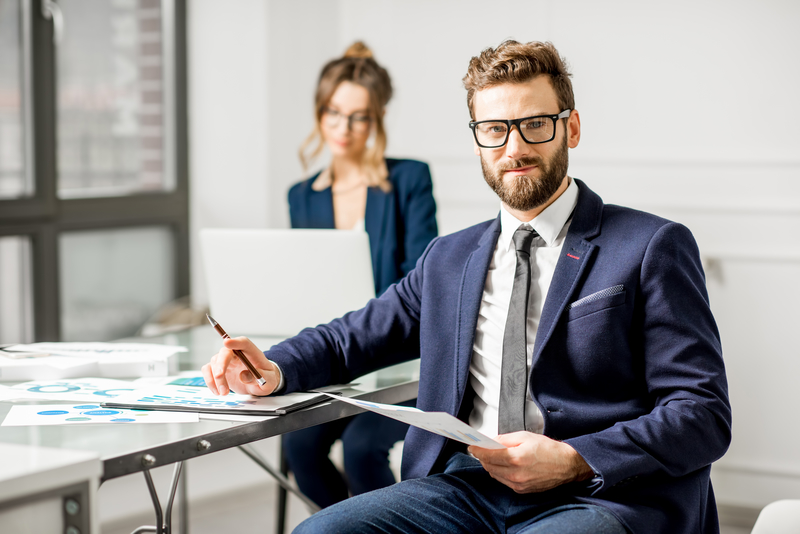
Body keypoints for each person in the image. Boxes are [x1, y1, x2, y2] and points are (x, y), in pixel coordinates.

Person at [202, 40, 732, 533]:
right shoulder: (449, 258)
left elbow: (701, 411)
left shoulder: (651, 245)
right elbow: (351, 338)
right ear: (478, 139)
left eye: (535, 125)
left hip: (600, 493)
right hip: (466, 487)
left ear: (570, 129)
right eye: (495, 129)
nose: (515, 146)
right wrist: (271, 368)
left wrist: (575, 458)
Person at [281, 42, 438, 509]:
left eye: (359, 116)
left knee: (361, 446)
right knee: (300, 446)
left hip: (403, 360)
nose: (343, 128)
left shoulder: (408, 180)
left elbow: (422, 282)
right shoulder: (302, 195)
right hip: (341, 362)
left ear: (378, 119)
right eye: (333, 113)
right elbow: (310, 283)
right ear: (318, 112)